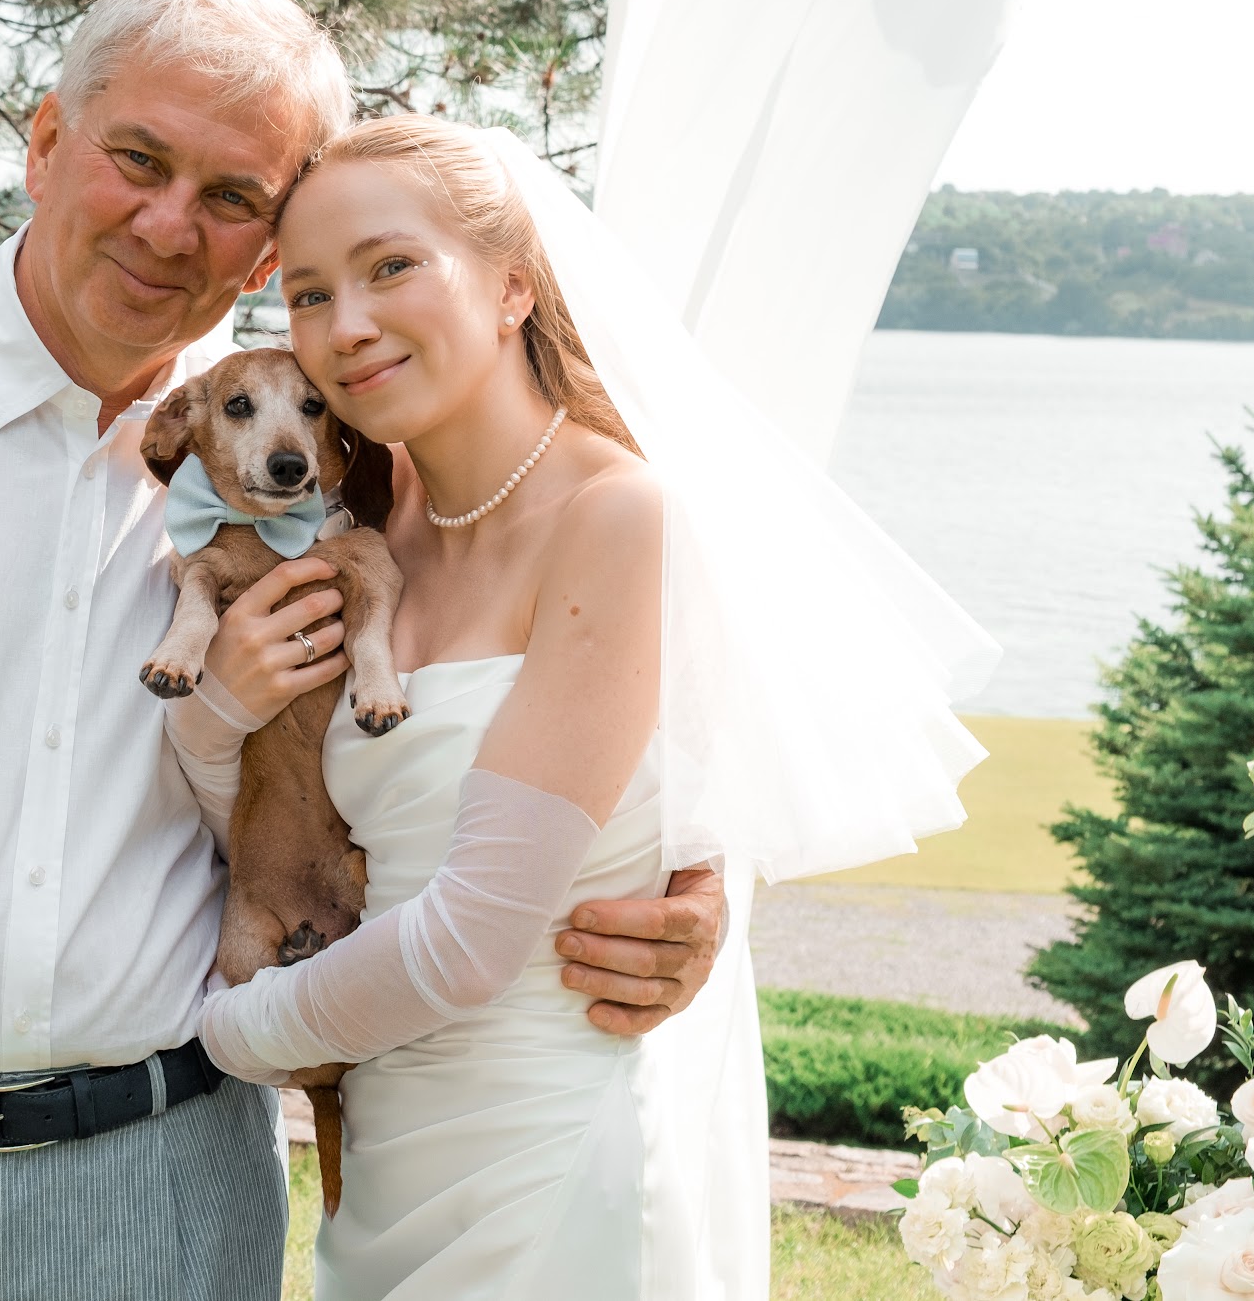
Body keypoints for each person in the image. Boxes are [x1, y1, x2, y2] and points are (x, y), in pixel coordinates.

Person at [0, 0, 727, 1301]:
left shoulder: (334, 469)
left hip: (173, 1189)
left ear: (264, 246)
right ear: (45, 141)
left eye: (231, 197)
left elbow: (539, 678)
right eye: (137, 158)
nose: (170, 225)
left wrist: (688, 877)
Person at [184, 113, 995, 1299]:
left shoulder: (614, 512)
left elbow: (470, 938)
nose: (344, 323)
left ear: (512, 285)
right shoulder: (363, 519)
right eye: (308, 293)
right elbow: (290, 812)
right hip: (392, 1157)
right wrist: (213, 708)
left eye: (390, 266)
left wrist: (217, 1033)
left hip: (549, 1160)